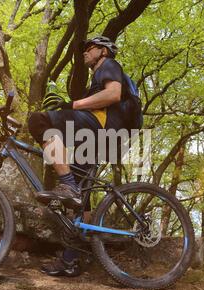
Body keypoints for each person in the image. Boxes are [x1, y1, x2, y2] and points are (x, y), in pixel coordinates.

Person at [27, 36, 127, 277]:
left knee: (38, 120)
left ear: (103, 51)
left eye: (88, 48)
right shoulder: (97, 73)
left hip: (101, 128)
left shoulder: (108, 65)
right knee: (82, 197)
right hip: (106, 135)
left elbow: (113, 94)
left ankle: (68, 185)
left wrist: (69, 104)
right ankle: (70, 260)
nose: (84, 53)